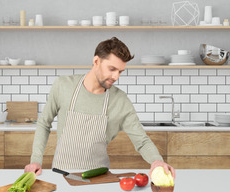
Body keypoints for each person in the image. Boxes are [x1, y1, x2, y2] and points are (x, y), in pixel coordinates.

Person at [24, 37, 175, 179]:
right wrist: (36, 160)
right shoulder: (63, 86)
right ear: (96, 61)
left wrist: (156, 161)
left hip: (100, 178)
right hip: (61, 174)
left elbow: (141, 141)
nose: (116, 77)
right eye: (112, 69)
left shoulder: (120, 101)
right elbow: (44, 123)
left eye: (120, 71)